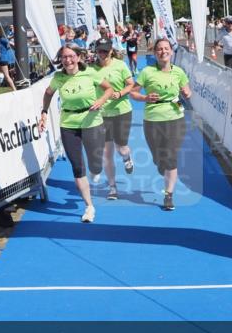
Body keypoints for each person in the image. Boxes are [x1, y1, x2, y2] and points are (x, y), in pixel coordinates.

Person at [39, 44, 114, 223]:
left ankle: (96, 169)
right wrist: (44, 112)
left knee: (95, 161)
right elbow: (48, 93)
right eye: (64, 57)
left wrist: (101, 101)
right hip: (69, 124)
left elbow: (109, 89)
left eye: (71, 56)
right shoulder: (58, 77)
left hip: (92, 121)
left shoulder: (90, 73)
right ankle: (89, 206)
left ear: (79, 57)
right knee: (77, 167)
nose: (68, 60)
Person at [130, 38, 192, 211]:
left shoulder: (179, 72)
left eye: (166, 48)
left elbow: (188, 91)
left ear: (171, 52)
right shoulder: (147, 72)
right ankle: (160, 164)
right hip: (152, 119)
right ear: (155, 53)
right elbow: (133, 93)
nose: (163, 51)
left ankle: (168, 195)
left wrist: (187, 93)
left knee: (171, 156)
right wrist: (145, 97)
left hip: (175, 117)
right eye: (159, 49)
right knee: (159, 158)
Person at [92, 38, 135, 201]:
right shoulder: (91, 69)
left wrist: (120, 93)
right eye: (99, 50)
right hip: (102, 114)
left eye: (105, 50)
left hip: (121, 111)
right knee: (106, 152)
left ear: (111, 51)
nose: (102, 53)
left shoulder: (120, 65)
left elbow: (131, 84)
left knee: (121, 147)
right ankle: (112, 188)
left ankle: (127, 157)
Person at [0, 25, 17, 94]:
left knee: (7, 76)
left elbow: (10, 44)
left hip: (3, 60)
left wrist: (13, 46)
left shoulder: (2, 39)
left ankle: (15, 90)